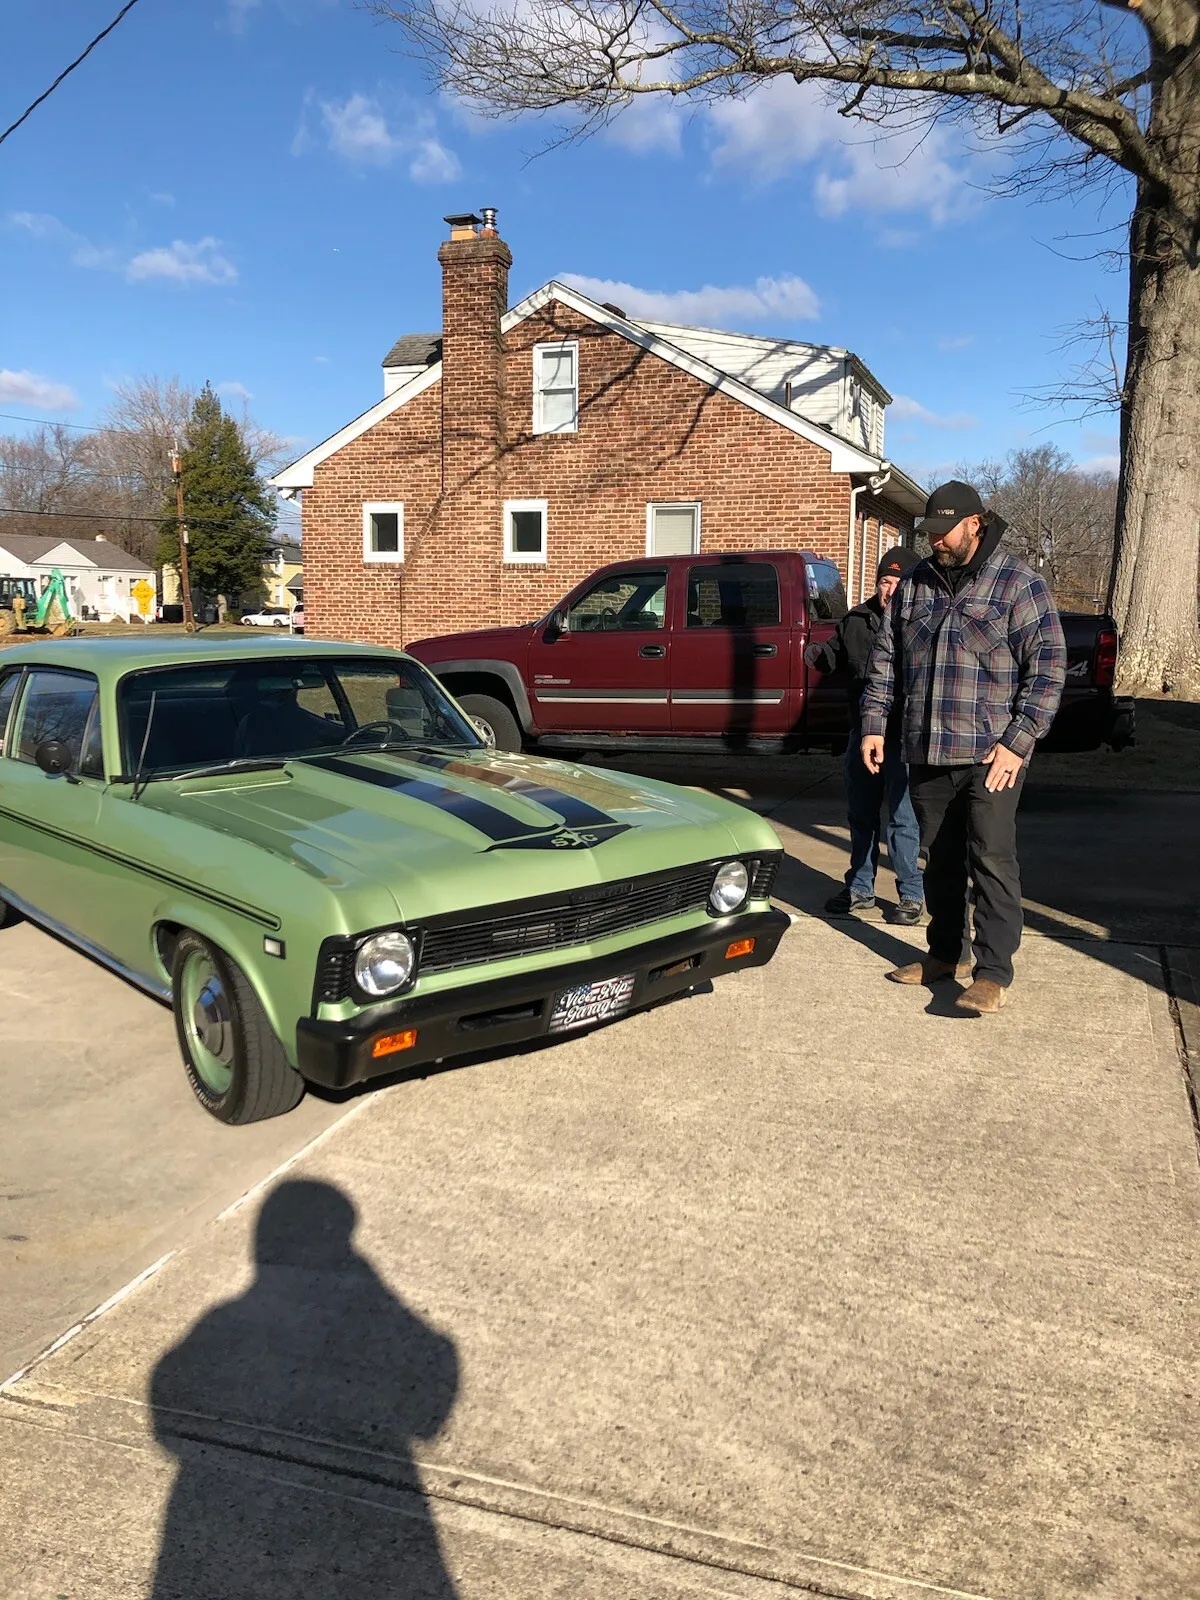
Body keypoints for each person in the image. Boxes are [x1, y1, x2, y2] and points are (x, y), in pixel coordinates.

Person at [860, 480, 1066, 1015]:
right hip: (926, 747)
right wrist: (874, 724)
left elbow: (1047, 670)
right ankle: (943, 955)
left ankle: (992, 973)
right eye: (929, 532)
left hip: (991, 755)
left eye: (944, 531)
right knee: (940, 861)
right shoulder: (915, 585)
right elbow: (886, 659)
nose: (935, 541)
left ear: (975, 523)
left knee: (991, 859)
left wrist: (1018, 742)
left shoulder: (1019, 583)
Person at [804, 545, 924, 924]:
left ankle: (911, 894)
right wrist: (813, 653)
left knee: (903, 819)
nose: (891, 590)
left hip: (903, 737)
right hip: (863, 734)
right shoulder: (855, 620)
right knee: (861, 815)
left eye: (899, 583)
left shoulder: (923, 623)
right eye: (885, 582)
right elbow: (832, 655)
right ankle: (860, 888)